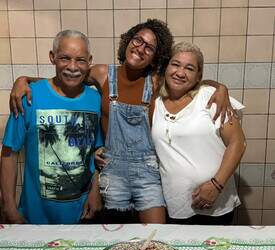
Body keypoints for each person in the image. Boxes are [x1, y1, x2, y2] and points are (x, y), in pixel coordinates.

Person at [9, 19, 233, 224]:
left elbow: (190, 79)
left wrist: (220, 87)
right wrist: (24, 80)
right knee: (116, 239)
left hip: (148, 172)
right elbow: (68, 75)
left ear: (156, 56)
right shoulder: (102, 74)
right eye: (138, 40)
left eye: (149, 47)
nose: (140, 48)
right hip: (112, 171)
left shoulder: (156, 80)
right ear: (128, 40)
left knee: (156, 238)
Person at [0, 30, 102, 224]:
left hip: (83, 216)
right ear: (52, 57)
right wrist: (9, 208)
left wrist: (95, 191)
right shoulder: (28, 97)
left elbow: (96, 153)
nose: (73, 67)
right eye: (65, 58)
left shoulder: (96, 99)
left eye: (80, 60)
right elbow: (9, 154)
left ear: (89, 61)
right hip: (35, 218)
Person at [152, 42, 246, 225]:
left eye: (189, 68)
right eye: (175, 64)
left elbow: (238, 143)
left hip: (217, 203)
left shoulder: (211, 97)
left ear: (198, 76)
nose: (180, 72)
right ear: (166, 68)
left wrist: (216, 186)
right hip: (176, 205)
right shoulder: (154, 103)